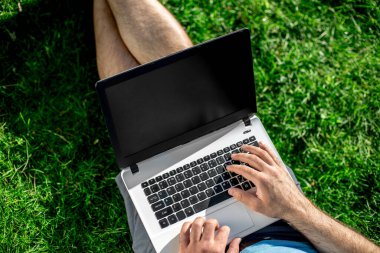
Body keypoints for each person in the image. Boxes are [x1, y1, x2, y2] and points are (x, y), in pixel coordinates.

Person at [93, 0, 380, 252]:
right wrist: (295, 207)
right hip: (288, 224)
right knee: (197, 97)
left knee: (146, 145)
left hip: (188, 246)